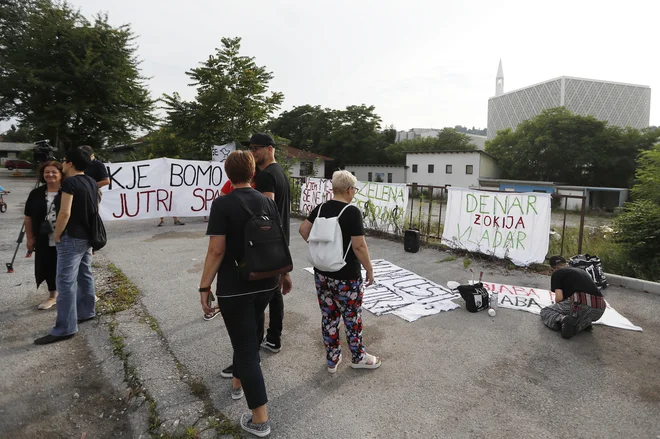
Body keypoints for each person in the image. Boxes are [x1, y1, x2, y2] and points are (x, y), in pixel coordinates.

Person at [199, 150, 278, 437]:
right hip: (267, 282)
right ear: (253, 173)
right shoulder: (267, 201)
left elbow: (216, 250)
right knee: (246, 334)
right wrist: (286, 274)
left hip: (236, 286)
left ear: (227, 175)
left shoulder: (222, 204)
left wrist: (205, 286)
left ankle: (260, 420)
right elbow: (276, 241)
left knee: (246, 347)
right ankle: (236, 383)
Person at [220, 133, 291, 378]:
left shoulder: (267, 176)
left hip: (265, 246)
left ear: (270, 148)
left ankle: (248, 360)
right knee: (272, 293)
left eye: (257, 148)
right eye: (250, 148)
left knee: (255, 304)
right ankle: (273, 339)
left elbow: (264, 214)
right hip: (276, 245)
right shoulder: (279, 172)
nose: (253, 152)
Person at [299, 170, 381, 372]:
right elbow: (359, 246)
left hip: (322, 273)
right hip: (346, 276)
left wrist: (320, 250)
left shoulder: (320, 208)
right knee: (352, 317)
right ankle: (358, 357)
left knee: (329, 316)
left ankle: (332, 358)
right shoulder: (351, 212)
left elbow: (303, 230)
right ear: (350, 190)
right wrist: (369, 269)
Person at [34, 148, 97, 345]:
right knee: (85, 274)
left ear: (70, 163)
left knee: (65, 283)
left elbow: (64, 213)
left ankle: (65, 328)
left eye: (64, 160)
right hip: (87, 236)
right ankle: (86, 312)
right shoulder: (90, 181)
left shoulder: (70, 182)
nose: (62, 163)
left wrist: (58, 233)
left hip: (71, 237)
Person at [23, 161, 64, 310]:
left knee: (68, 266)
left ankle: (76, 294)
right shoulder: (36, 193)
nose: (50, 175)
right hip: (43, 237)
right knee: (47, 265)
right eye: (47, 172)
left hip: (65, 236)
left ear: (61, 174)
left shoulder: (67, 191)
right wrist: (29, 238)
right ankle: (53, 296)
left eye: (54, 172)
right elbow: (28, 217)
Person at [540, 256, 607, 339]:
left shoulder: (557, 273)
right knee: (574, 317)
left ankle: (562, 320)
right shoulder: (581, 271)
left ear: (553, 268)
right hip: (600, 308)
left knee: (546, 311)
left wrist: (558, 307)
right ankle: (582, 324)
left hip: (580, 303)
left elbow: (559, 298)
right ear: (566, 264)